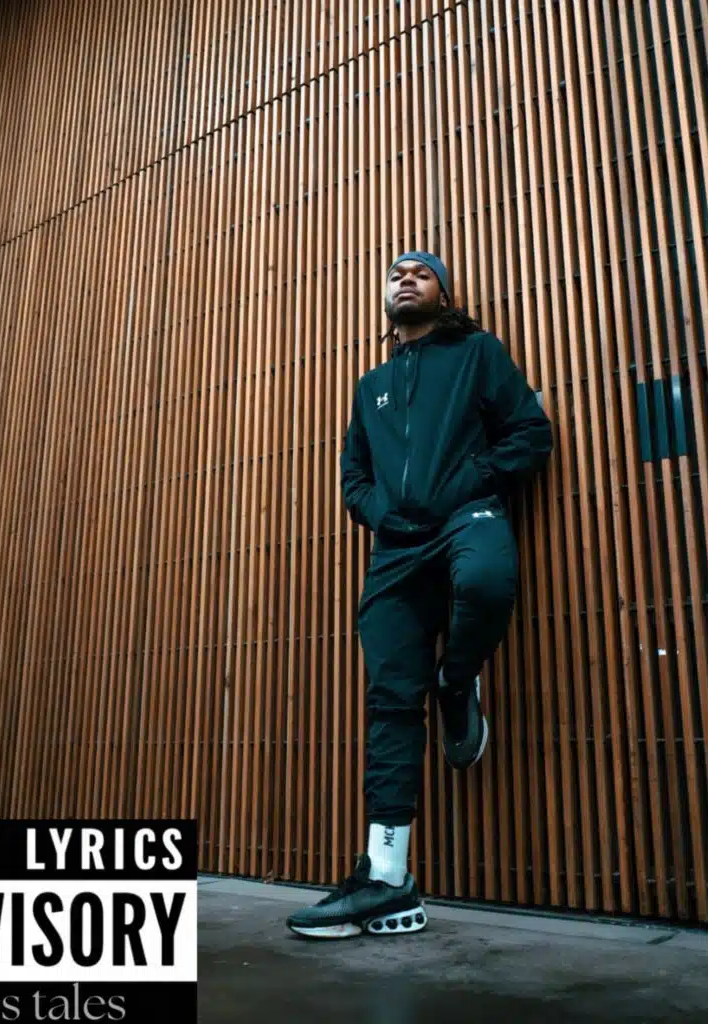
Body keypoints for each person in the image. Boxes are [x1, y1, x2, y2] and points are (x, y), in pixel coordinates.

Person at [286, 251, 553, 939]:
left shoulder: (476, 354)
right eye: (396, 273)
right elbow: (354, 475)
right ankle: (386, 878)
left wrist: (470, 482)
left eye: (421, 272)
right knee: (390, 700)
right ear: (385, 298)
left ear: (443, 294)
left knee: (485, 581)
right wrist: (382, 514)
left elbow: (531, 432)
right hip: (396, 549)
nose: (406, 278)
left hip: (467, 516)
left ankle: (456, 683)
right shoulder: (371, 384)